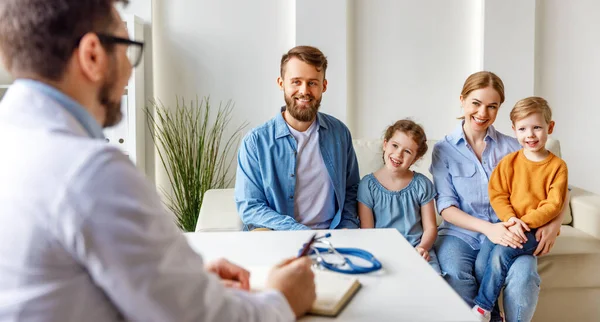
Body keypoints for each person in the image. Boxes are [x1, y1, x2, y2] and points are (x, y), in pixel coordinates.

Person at [0, 1, 315, 321]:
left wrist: (179, 280)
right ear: (93, 55)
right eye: (126, 48)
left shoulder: (12, 141)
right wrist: (284, 298)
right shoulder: (91, 171)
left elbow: (57, 287)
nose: (128, 69)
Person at [430, 71, 568, 322]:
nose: (483, 113)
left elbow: (559, 190)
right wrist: (490, 229)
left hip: (515, 232)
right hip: (460, 234)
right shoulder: (443, 149)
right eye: (476, 103)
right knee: (453, 272)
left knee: (524, 275)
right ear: (462, 100)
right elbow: (445, 207)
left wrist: (553, 225)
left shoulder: (516, 145)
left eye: (491, 106)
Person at [235, 46, 360, 231]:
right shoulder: (255, 142)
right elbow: (250, 206)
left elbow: (351, 190)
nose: (304, 91)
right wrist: (299, 232)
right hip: (279, 234)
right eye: (296, 82)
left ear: (323, 86)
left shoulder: (339, 133)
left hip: (333, 236)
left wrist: (347, 226)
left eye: (312, 83)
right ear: (281, 83)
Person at [471, 97, 568, 321]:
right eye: (523, 129)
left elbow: (553, 204)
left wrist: (524, 224)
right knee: (481, 263)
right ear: (514, 130)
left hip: (533, 231)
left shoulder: (557, 166)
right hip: (508, 224)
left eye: (537, 128)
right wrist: (512, 220)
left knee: (502, 253)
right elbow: (497, 194)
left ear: (549, 128)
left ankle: (482, 307)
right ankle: (495, 316)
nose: (530, 135)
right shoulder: (509, 162)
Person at [357, 119, 441, 274]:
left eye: (407, 151)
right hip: (383, 253)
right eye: (395, 146)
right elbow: (367, 231)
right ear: (385, 144)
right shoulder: (367, 185)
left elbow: (430, 227)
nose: (398, 154)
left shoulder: (422, 184)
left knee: (433, 283)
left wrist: (422, 248)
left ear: (415, 159)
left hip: (417, 250)